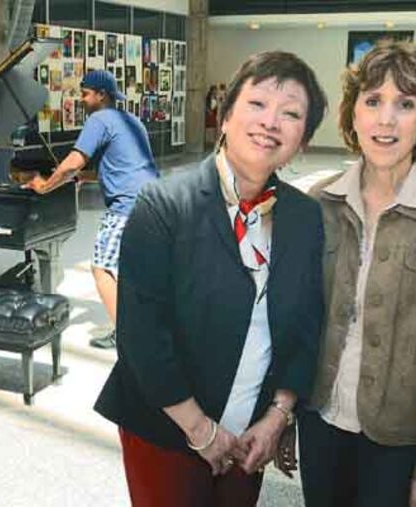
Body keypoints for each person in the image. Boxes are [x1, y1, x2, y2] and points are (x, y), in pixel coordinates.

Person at [94, 51, 327, 506]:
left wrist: (278, 415)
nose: (271, 122)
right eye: (257, 104)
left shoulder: (304, 216)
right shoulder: (163, 204)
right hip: (166, 427)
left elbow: (306, 324)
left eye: (292, 113)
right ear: (225, 116)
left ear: (303, 140)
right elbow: (141, 334)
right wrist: (201, 431)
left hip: (250, 432)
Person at [301, 40, 416, 507]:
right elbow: (297, 326)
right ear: (353, 115)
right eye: (373, 101)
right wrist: (283, 418)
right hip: (320, 423)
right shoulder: (319, 205)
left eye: (405, 103)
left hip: (399, 441)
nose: (386, 120)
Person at [24, 70, 159, 349]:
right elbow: (123, 167)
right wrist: (82, 178)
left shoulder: (99, 119)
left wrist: (45, 185)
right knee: (134, 271)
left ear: (101, 95)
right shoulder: (132, 121)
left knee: (102, 268)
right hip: (155, 203)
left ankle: (126, 336)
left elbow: (73, 161)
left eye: (85, 94)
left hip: (126, 207)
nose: (82, 100)